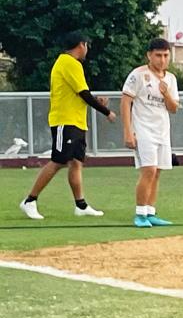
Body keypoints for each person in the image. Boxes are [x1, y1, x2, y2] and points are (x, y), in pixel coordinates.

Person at [18, 31, 115, 220]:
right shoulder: (69, 63)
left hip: (76, 121)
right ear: (81, 45)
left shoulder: (69, 64)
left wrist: (96, 101)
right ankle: (29, 200)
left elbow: (79, 94)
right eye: (86, 45)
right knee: (59, 160)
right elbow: (83, 93)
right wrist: (106, 112)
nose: (87, 49)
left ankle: (81, 205)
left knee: (77, 162)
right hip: (65, 120)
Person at [122, 38, 180, 227]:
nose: (162, 60)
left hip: (162, 131)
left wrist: (166, 93)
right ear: (149, 55)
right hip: (143, 129)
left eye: (165, 55)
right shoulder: (138, 75)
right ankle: (139, 214)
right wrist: (128, 131)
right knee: (149, 170)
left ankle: (150, 212)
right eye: (158, 55)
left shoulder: (170, 79)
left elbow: (173, 108)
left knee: (157, 172)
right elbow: (125, 101)